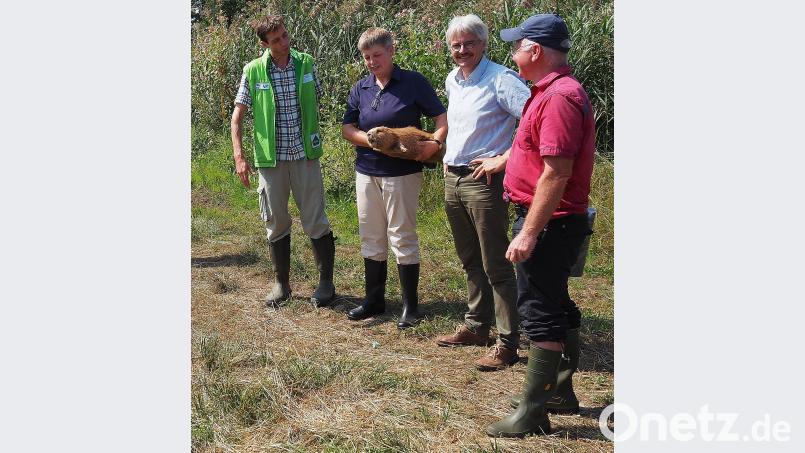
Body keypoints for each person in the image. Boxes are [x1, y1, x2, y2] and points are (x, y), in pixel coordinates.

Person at [485, 13, 595, 437]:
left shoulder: (559, 98)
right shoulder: (547, 92)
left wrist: (528, 232)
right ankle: (559, 392)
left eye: (517, 47)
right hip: (554, 219)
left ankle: (532, 413)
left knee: (540, 313)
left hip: (550, 221)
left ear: (535, 51)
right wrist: (505, 160)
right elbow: (533, 152)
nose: (512, 54)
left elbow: (556, 171)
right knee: (555, 302)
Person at [434, 14, 531, 372]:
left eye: (469, 43)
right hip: (454, 178)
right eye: (456, 45)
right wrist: (449, 157)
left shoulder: (501, 79)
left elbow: (533, 119)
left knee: (496, 264)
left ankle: (508, 343)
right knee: (470, 259)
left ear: (483, 43)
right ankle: (478, 327)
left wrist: (503, 159)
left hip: (483, 182)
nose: (462, 50)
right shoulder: (453, 80)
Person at [341, 27, 448, 328]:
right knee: (371, 235)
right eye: (366, 57)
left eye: (377, 55)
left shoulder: (413, 82)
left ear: (391, 51)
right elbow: (347, 128)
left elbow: (441, 117)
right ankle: (374, 300)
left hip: (402, 173)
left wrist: (435, 144)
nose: (372, 62)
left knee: (401, 235)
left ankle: (409, 307)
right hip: (367, 170)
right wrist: (373, 141)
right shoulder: (361, 88)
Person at [230, 15, 336, 308]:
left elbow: (320, 100)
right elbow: (237, 117)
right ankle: (282, 284)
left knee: (315, 218)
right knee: (275, 221)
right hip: (270, 159)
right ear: (264, 44)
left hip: (305, 156)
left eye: (285, 36)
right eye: (276, 40)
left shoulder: (306, 63)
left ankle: (326, 283)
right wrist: (240, 156)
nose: (284, 43)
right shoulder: (253, 71)